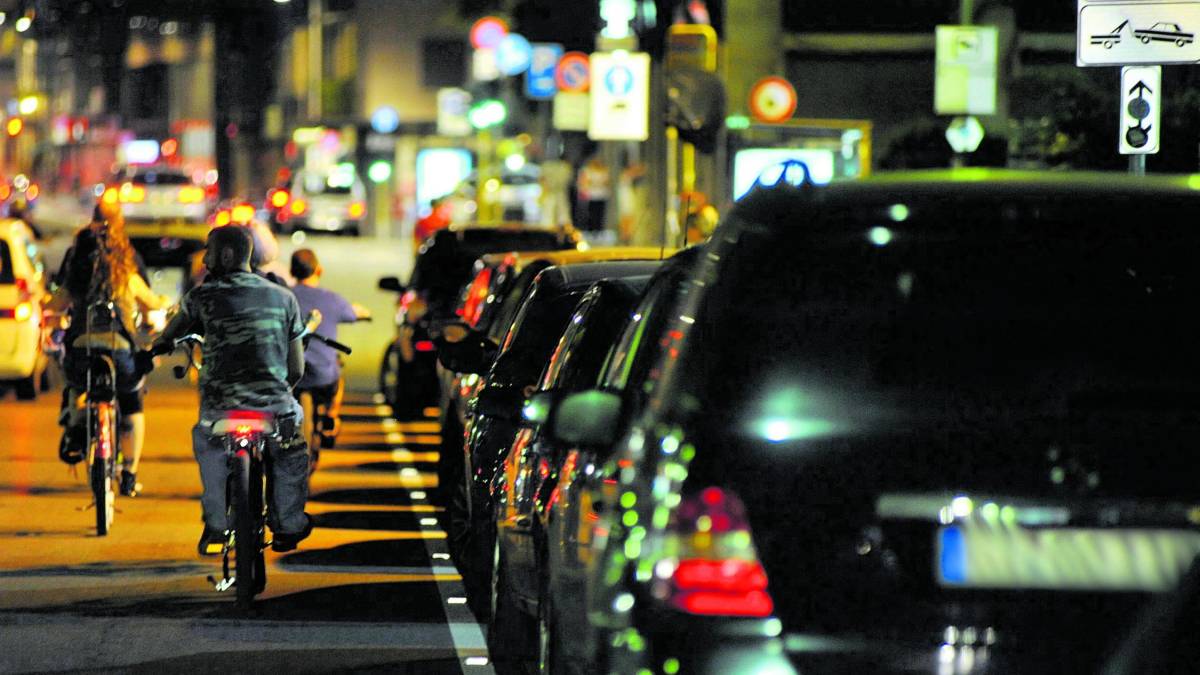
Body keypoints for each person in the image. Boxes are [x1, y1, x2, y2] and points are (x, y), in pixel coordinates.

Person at [146, 225, 312, 556]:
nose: (204, 261)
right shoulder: (284, 299)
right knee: (290, 450)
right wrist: (278, 395)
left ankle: (217, 524)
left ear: (226, 255)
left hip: (219, 408)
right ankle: (288, 523)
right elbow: (296, 369)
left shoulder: (200, 298)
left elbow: (168, 337)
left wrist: (155, 348)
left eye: (208, 252)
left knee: (209, 448)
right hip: (273, 406)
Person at [44, 201, 171, 496]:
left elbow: (55, 304)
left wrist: (47, 313)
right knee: (132, 403)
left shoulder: (75, 275)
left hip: (81, 350)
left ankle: (76, 428)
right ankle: (129, 473)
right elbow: (153, 303)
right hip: (120, 352)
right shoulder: (128, 273)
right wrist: (165, 306)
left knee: (75, 385)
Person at [288, 248, 370, 467]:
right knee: (338, 368)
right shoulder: (332, 299)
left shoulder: (283, 296)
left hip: (289, 374)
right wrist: (364, 314)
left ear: (291, 271)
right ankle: (331, 416)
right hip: (323, 377)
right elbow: (354, 313)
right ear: (319, 270)